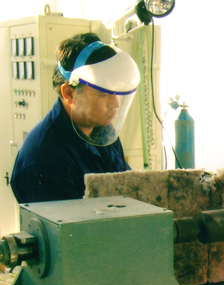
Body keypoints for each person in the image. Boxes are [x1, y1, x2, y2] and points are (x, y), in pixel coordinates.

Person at [10, 33, 140, 203]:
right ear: (69, 93)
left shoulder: (102, 130)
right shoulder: (44, 158)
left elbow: (127, 189)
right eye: (104, 94)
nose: (115, 103)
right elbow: (70, 220)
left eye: (116, 92)